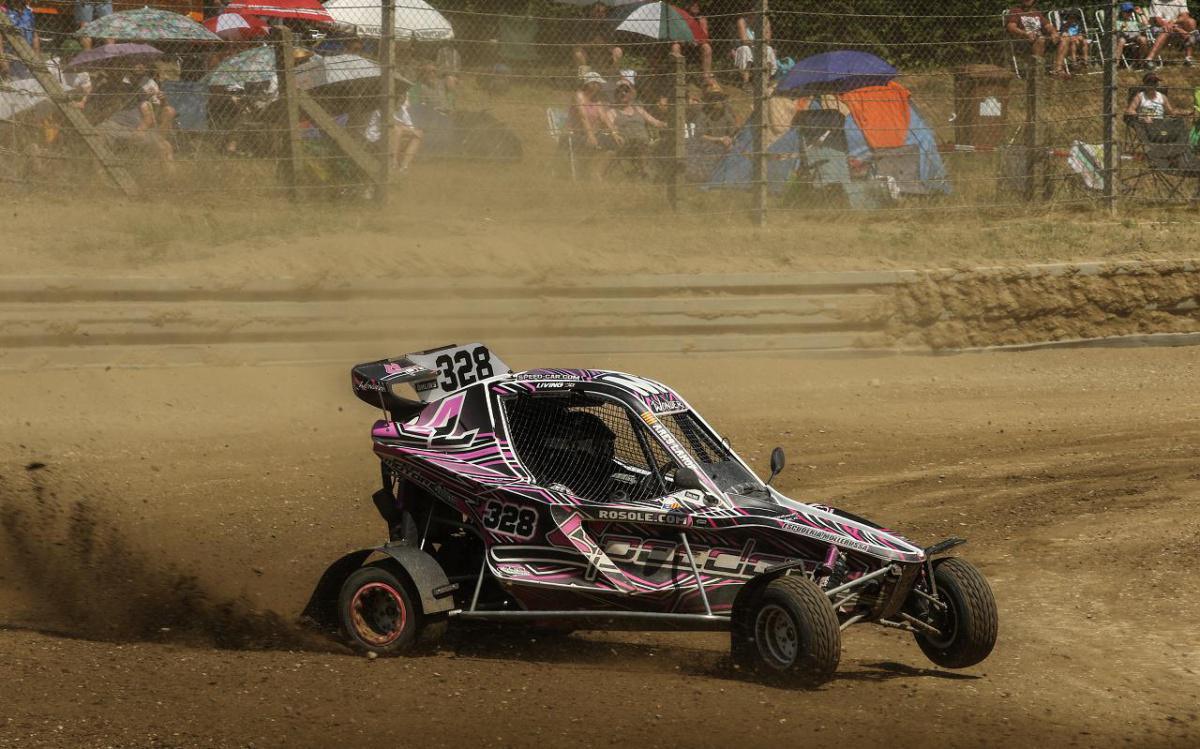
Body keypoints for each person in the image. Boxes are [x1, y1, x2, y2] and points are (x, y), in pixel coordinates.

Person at [606, 79, 666, 177]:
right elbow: (611, 128)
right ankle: (642, 171)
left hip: (645, 142)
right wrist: (615, 134)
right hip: (627, 143)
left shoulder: (638, 109)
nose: (623, 93)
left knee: (650, 144)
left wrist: (666, 124)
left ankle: (641, 171)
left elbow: (655, 122)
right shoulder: (612, 112)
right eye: (619, 91)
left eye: (626, 90)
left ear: (631, 94)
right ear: (615, 94)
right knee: (640, 145)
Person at [1004, 0, 1068, 77]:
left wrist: (1053, 32)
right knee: (1040, 39)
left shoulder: (1036, 13)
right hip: (1024, 41)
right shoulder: (1015, 11)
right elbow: (1011, 27)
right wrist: (1025, 34)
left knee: (1065, 38)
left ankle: (1058, 70)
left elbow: (1048, 26)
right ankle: (1037, 71)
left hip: (1040, 38)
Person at [366, 90, 422, 173]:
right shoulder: (382, 108)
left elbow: (412, 129)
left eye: (404, 98)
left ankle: (404, 167)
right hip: (375, 138)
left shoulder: (403, 111)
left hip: (394, 137)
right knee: (397, 129)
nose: (402, 100)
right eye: (400, 98)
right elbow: (392, 123)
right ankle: (393, 163)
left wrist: (414, 131)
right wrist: (410, 130)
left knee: (418, 134)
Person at [572, 2, 622, 77]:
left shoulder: (608, 26)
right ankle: (585, 78)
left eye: (603, 12)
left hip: (604, 53)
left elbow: (613, 46)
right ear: (591, 12)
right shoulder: (583, 24)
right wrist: (592, 43)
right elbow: (577, 45)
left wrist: (603, 44)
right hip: (588, 53)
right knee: (578, 52)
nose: (600, 14)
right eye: (597, 11)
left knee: (618, 51)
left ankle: (609, 77)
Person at [1146, 0, 1196, 67]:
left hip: (1176, 25)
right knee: (1167, 31)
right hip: (1159, 27)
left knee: (1191, 22)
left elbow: (1185, 16)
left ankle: (1188, 59)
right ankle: (1149, 60)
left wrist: (1173, 22)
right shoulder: (1156, 1)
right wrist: (1176, 28)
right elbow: (1158, 20)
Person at [734, 14, 777, 90]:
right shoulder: (742, 21)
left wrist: (766, 26)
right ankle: (746, 82)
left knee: (769, 49)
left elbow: (768, 39)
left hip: (760, 47)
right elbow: (744, 40)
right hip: (747, 47)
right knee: (745, 49)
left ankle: (766, 81)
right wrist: (759, 42)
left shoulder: (765, 22)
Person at [2, 0, 39, 80]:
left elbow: (34, 35)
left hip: (26, 57)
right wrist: (3, 61)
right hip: (10, 57)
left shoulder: (28, 12)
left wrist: (36, 57)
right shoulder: (4, 12)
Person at [1115, 2, 1151, 66]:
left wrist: (1140, 13)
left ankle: (1141, 61)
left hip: (1135, 37)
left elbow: (1146, 24)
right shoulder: (1118, 21)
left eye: (1131, 11)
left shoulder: (1134, 21)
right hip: (1124, 38)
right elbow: (1116, 32)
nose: (1129, 13)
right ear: (1122, 12)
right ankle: (1116, 63)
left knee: (1143, 39)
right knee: (1121, 40)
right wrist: (1121, 28)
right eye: (1127, 11)